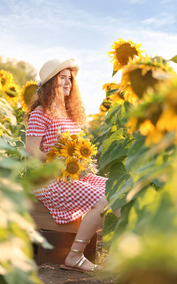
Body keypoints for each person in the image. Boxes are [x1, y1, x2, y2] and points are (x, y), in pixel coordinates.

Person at [26, 58, 108, 272]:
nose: (67, 82)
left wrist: (80, 162)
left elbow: (77, 148)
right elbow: (32, 153)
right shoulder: (40, 113)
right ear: (51, 82)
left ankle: (137, 250)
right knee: (103, 199)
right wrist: (58, 160)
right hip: (49, 181)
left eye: (70, 79)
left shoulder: (71, 116)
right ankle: (75, 257)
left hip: (71, 177)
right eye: (62, 78)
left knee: (117, 187)